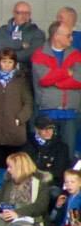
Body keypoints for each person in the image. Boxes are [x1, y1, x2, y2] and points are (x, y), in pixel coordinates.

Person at [32, 20, 81, 156]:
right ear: (56, 36)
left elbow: (78, 80)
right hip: (47, 112)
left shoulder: (76, 54)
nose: (71, 38)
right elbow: (44, 79)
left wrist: (56, 82)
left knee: (68, 154)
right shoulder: (39, 54)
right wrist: (66, 73)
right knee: (47, 154)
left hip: (71, 113)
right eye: (68, 35)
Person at [0, 48, 33, 167]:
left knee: (15, 167)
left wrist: (20, 119)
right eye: (4, 61)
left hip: (15, 131)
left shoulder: (21, 80)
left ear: (14, 63)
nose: (7, 65)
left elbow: (28, 103)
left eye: (10, 62)